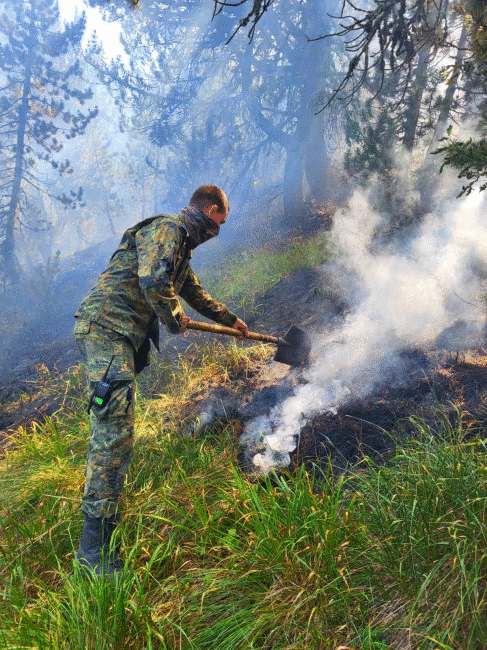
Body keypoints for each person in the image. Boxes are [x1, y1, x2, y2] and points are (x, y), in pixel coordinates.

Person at [73, 185, 248, 576]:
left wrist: (230, 320)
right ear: (210, 209)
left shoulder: (179, 247)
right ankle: (92, 553)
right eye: (216, 224)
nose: (214, 233)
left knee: (115, 428)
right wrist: (172, 318)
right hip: (107, 329)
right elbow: (154, 282)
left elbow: (192, 291)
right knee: (113, 431)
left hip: (118, 335)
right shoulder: (167, 229)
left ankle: (101, 525)